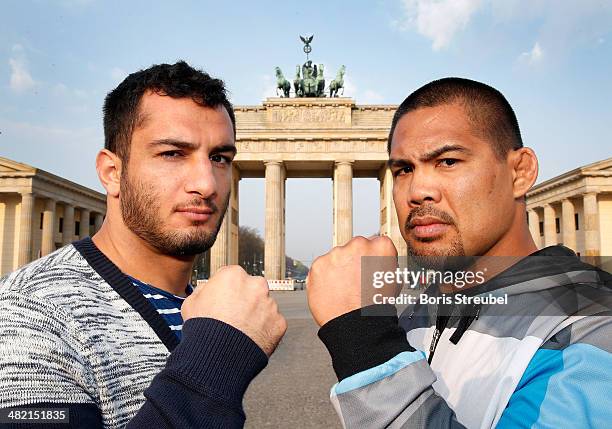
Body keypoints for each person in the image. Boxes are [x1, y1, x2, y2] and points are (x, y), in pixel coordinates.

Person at [307, 77, 612, 428]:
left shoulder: (593, 329)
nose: (418, 190)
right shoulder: (415, 314)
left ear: (520, 172)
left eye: (448, 161)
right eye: (403, 169)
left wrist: (365, 345)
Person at [0, 61, 286, 428]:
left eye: (219, 158)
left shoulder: (203, 305)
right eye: (172, 154)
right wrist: (219, 355)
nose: (207, 184)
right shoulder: (29, 314)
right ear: (112, 173)